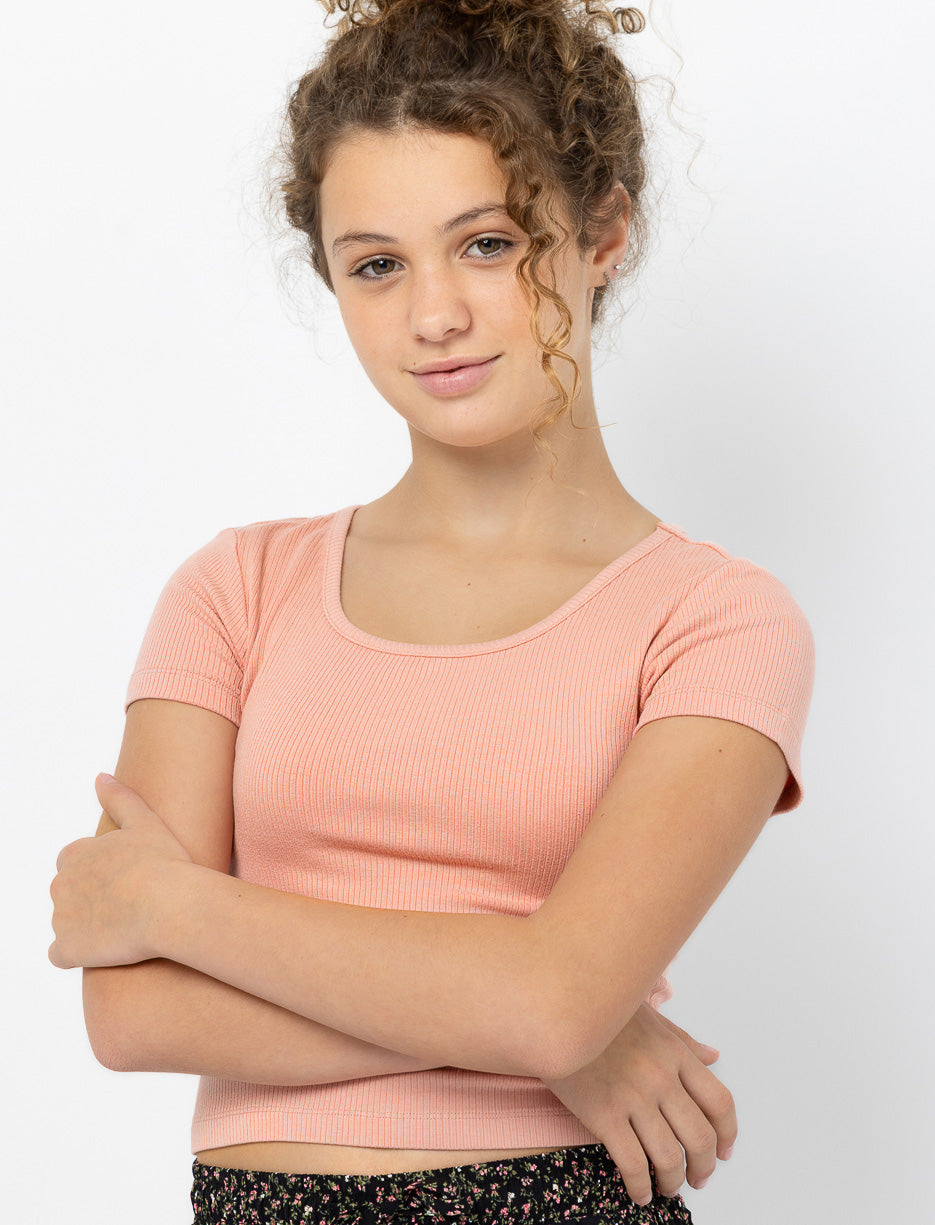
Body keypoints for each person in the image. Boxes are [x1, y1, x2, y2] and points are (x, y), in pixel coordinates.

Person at [48, 1, 815, 1222]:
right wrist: (543, 1034)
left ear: (602, 231)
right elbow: (132, 1011)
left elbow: (550, 1001)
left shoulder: (713, 622)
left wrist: (172, 904)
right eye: (376, 264)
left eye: (486, 244)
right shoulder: (236, 588)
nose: (433, 315)